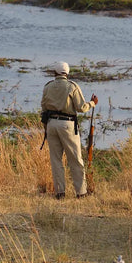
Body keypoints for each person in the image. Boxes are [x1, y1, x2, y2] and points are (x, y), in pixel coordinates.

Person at [40, 61, 98, 199]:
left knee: (56, 160)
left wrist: (46, 127)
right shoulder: (72, 86)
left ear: (55, 73)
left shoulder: (47, 86)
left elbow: (43, 107)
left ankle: (60, 193)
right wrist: (92, 103)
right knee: (75, 160)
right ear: (67, 73)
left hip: (51, 124)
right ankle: (81, 192)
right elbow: (81, 107)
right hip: (67, 124)